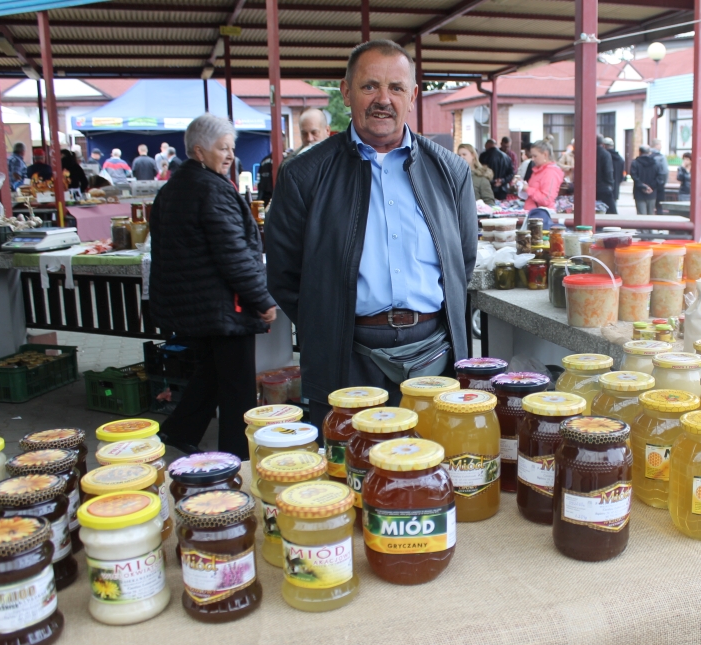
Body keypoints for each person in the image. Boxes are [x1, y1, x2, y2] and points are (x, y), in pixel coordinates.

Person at [266, 39, 477, 425]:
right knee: (351, 472)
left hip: (435, 357)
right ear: (346, 92)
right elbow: (284, 277)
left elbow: (462, 261)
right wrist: (330, 320)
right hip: (346, 359)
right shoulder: (303, 176)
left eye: (396, 88)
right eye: (369, 86)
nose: (384, 99)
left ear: (412, 96)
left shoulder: (451, 171)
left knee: (431, 470)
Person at [149, 113, 276, 457]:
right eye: (223, 148)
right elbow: (233, 255)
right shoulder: (211, 190)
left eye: (231, 147)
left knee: (212, 373)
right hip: (223, 306)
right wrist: (262, 300)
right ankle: (237, 454)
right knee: (237, 387)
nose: (230, 154)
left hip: (197, 304)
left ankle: (179, 430)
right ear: (199, 152)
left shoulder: (175, 187)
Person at [256, 108, 332, 203]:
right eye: (304, 134)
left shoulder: (341, 161)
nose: (309, 138)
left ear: (327, 130)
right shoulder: (289, 165)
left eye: (314, 132)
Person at [517, 140, 563, 210]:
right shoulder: (538, 171)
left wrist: (527, 189)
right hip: (534, 213)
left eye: (535, 156)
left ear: (545, 155)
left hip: (540, 216)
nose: (532, 159)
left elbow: (546, 199)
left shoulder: (550, 172)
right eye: (532, 156)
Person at [629, 145, 658, 215]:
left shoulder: (635, 163)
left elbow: (634, 176)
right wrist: (651, 187)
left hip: (639, 192)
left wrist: (643, 186)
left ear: (640, 152)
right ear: (649, 152)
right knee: (651, 214)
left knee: (641, 215)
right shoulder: (655, 163)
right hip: (652, 192)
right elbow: (659, 176)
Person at [595, 135, 617, 214]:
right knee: (611, 213)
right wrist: (610, 184)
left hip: (590, 188)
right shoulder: (605, 154)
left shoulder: (588, 153)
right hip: (603, 187)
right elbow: (608, 171)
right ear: (602, 143)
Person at [650, 139, 668, 214]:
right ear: (656, 145)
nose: (661, 146)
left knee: (650, 205)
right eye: (660, 145)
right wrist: (664, 182)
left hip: (649, 183)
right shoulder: (661, 157)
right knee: (659, 204)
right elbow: (665, 171)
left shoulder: (648, 155)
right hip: (659, 183)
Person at [604, 137, 625, 202]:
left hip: (604, 188)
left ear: (604, 145)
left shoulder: (604, 156)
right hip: (615, 187)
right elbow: (622, 175)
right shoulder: (620, 158)